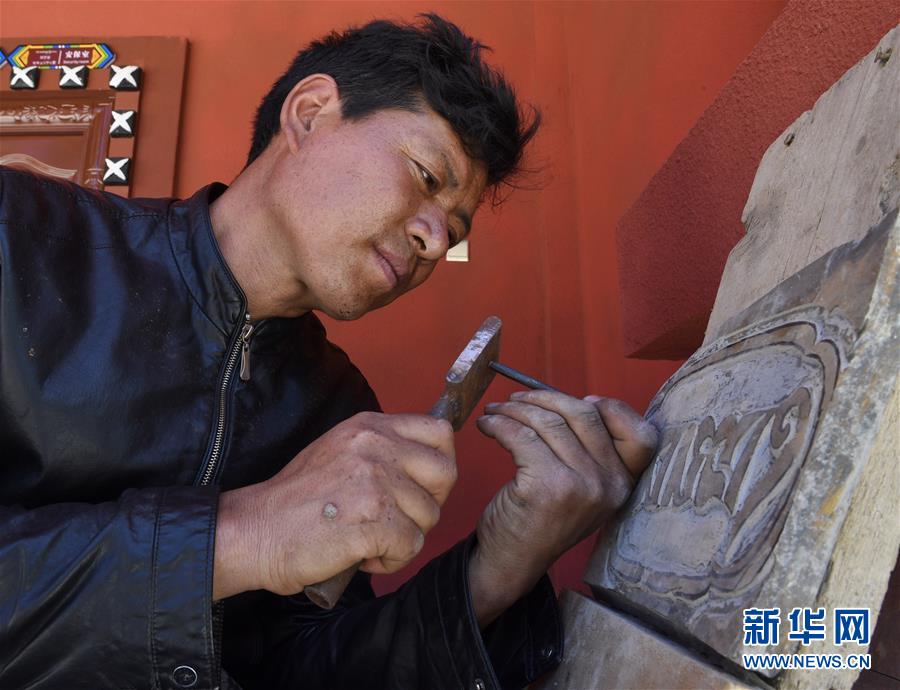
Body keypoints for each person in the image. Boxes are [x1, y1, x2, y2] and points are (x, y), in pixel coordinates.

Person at [0, 14, 658, 690]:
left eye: (455, 232)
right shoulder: (19, 235)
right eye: (426, 176)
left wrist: (501, 563)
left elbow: (305, 671)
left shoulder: (335, 407)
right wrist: (244, 535)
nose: (436, 242)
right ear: (309, 114)